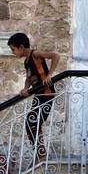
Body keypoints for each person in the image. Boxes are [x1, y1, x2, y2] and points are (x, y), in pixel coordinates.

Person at [7, 33, 59, 164]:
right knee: (31, 123)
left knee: (33, 122)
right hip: (38, 94)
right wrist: (25, 88)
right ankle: (40, 153)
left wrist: (49, 75)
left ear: (21, 47)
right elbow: (29, 78)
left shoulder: (35, 54)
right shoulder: (26, 61)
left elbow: (55, 56)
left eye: (13, 49)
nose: (13, 53)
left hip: (46, 93)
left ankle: (41, 154)